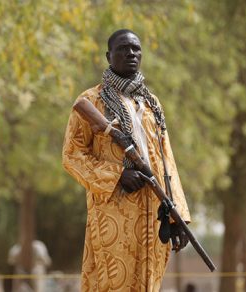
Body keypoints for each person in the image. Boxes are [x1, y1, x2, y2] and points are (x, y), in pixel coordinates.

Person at [62, 29, 191, 291]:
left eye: (136, 49)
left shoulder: (151, 103)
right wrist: (117, 175)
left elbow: (167, 160)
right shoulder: (91, 101)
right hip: (114, 212)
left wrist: (179, 216)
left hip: (155, 210)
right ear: (109, 56)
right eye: (123, 48)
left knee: (149, 282)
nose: (130, 53)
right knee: (111, 283)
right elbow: (72, 156)